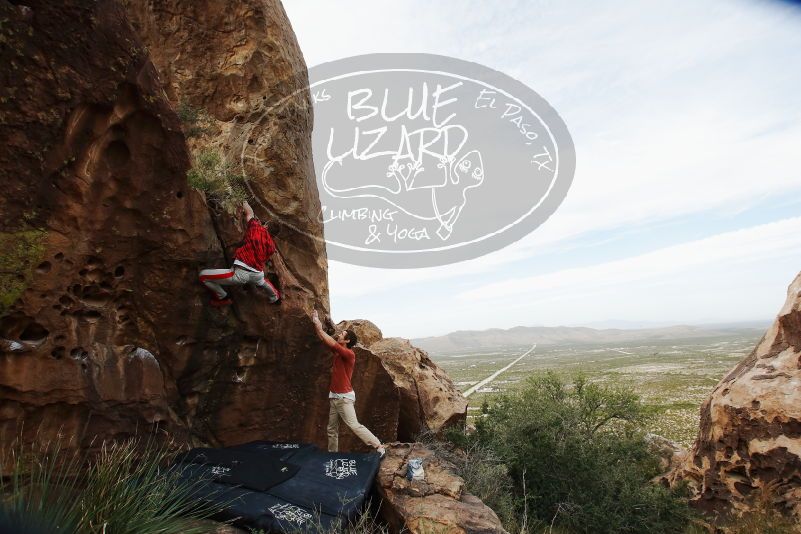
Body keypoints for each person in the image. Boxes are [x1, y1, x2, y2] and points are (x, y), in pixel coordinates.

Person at [311, 310, 385, 458]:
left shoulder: (349, 354)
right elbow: (325, 339)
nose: (339, 335)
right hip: (334, 397)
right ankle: (332, 455)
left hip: (344, 398)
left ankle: (379, 446)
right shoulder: (338, 352)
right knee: (331, 429)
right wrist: (316, 324)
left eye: (342, 334)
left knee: (354, 425)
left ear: (347, 341)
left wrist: (319, 327)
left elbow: (332, 342)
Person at [199, 200, 280, 307]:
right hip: (257, 273)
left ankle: (223, 297)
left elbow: (249, 213)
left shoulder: (257, 228)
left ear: (267, 226)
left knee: (203, 276)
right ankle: (275, 297)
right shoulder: (272, 247)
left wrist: (244, 201)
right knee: (262, 282)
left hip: (241, 273)